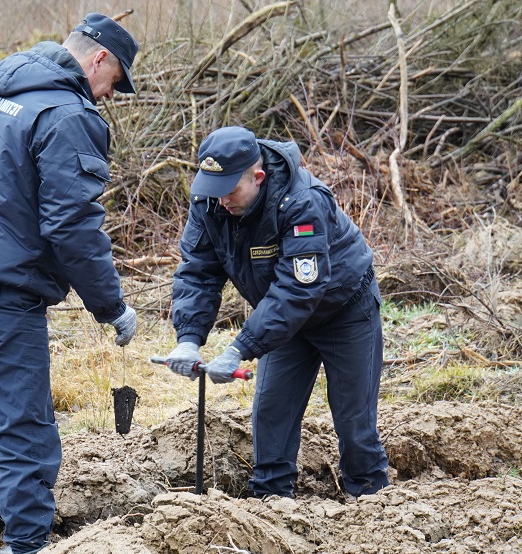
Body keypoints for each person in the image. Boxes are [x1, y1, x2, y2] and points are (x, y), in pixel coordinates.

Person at [0, 13, 139, 554]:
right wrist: (111, 306)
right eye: (113, 82)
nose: (107, 96)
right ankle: (27, 549)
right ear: (99, 59)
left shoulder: (0, 85)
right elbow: (72, 224)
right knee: (25, 431)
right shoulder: (67, 114)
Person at [165, 126, 390, 501]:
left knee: (354, 421)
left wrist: (239, 348)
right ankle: (270, 501)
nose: (221, 200)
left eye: (230, 190)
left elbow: (299, 288)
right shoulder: (209, 202)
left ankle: (371, 498)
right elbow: (197, 272)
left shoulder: (302, 201)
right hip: (283, 320)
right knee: (271, 412)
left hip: (345, 311)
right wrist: (188, 339)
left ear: (258, 177)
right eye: (214, 189)